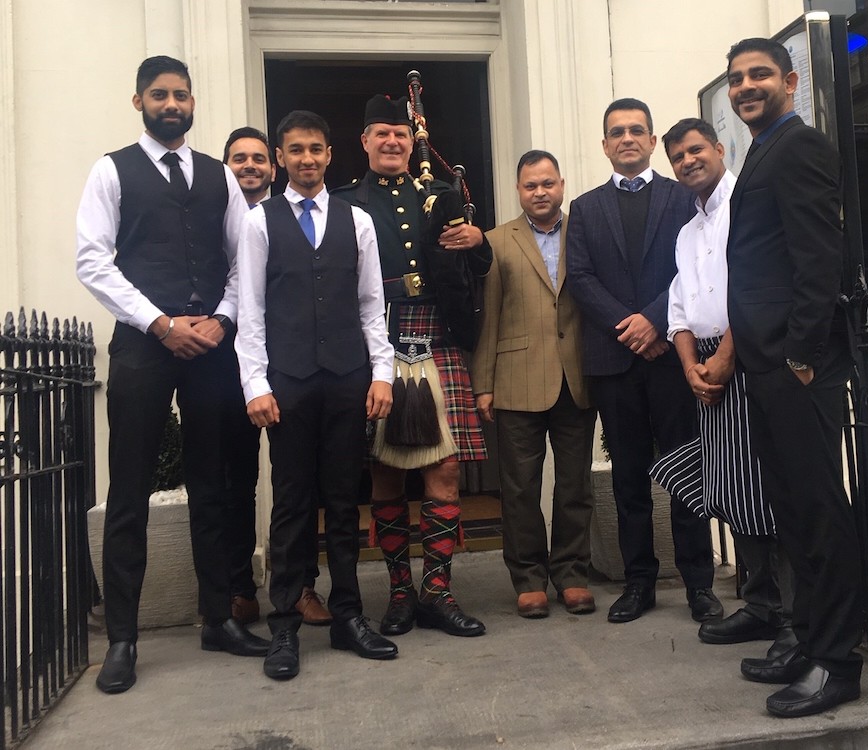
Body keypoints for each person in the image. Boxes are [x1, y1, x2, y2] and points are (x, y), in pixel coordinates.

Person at [76, 55, 268, 695]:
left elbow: (244, 262)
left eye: (181, 95)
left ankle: (218, 619)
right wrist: (161, 324)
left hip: (210, 345)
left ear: (192, 102)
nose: (172, 104)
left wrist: (218, 321)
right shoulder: (112, 170)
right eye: (159, 95)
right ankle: (124, 638)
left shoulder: (219, 177)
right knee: (129, 491)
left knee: (214, 486)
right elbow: (93, 262)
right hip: (142, 346)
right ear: (139, 102)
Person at [235, 109, 399, 680]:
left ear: (331, 156)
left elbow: (371, 305)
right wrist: (255, 383)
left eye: (316, 149)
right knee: (292, 502)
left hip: (347, 377)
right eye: (296, 150)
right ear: (281, 158)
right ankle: (284, 626)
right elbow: (251, 311)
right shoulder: (259, 222)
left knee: (341, 499)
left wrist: (383, 374)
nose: (307, 158)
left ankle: (350, 614)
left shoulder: (357, 221)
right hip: (290, 384)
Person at [725, 38, 862, 717]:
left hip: (796, 363)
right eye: (737, 79)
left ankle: (838, 662)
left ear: (790, 80)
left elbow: (818, 256)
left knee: (817, 513)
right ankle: (808, 641)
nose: (747, 86)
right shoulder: (763, 149)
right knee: (790, 513)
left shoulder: (798, 145)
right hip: (767, 363)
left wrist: (802, 351)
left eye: (759, 76)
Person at [334, 94, 490, 638]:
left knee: (444, 469)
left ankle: (437, 592)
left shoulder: (443, 195)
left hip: (437, 334)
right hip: (378, 338)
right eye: (382, 133)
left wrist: (478, 240)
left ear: (411, 139)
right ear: (366, 142)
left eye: (400, 133)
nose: (392, 142)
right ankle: (400, 593)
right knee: (385, 468)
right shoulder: (344, 202)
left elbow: (479, 266)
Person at [565, 98, 721, 624]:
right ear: (605, 145)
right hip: (615, 360)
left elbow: (695, 268)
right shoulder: (584, 209)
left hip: (674, 355)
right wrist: (630, 328)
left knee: (686, 471)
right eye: (616, 132)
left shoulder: (684, 197)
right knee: (628, 475)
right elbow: (581, 279)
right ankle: (639, 582)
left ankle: (699, 582)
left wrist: (654, 319)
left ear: (652, 141)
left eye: (637, 130)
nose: (627, 138)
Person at [650, 118, 794, 655]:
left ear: (719, 148)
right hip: (706, 365)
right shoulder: (687, 232)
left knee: (766, 487)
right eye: (678, 157)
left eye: (696, 150)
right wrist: (692, 366)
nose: (688, 161)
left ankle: (792, 617)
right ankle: (760, 603)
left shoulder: (748, 206)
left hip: (752, 354)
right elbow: (680, 307)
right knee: (732, 486)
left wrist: (727, 358)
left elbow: (755, 291)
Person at [471, 150, 597, 619]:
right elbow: (489, 318)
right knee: (520, 486)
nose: (540, 192)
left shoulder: (584, 235)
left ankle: (572, 574)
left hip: (577, 376)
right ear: (518, 190)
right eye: (531, 186)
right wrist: (483, 383)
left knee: (574, 484)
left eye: (548, 183)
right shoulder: (496, 241)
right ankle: (528, 578)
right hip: (515, 378)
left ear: (561, 185)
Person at [222, 127, 332, 627]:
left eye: (258, 158)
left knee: (295, 481)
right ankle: (234, 587)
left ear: (273, 165)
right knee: (231, 477)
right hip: (217, 358)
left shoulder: (288, 218)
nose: (250, 166)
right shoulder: (218, 211)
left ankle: (300, 585)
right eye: (239, 158)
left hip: (279, 365)